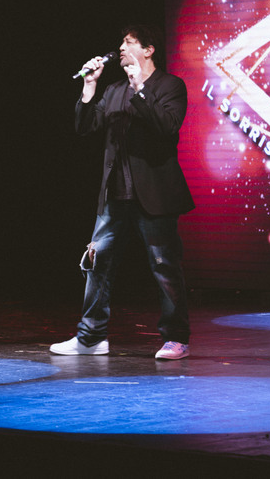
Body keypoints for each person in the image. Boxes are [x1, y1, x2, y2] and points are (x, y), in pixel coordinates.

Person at [50, 24, 194, 360]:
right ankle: (91, 337)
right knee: (97, 264)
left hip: (155, 195)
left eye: (129, 43)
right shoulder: (115, 89)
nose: (122, 48)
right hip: (114, 196)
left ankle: (176, 338)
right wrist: (89, 86)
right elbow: (85, 126)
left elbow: (167, 126)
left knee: (164, 267)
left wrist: (140, 89)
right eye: (122, 43)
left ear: (148, 50)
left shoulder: (170, 85)